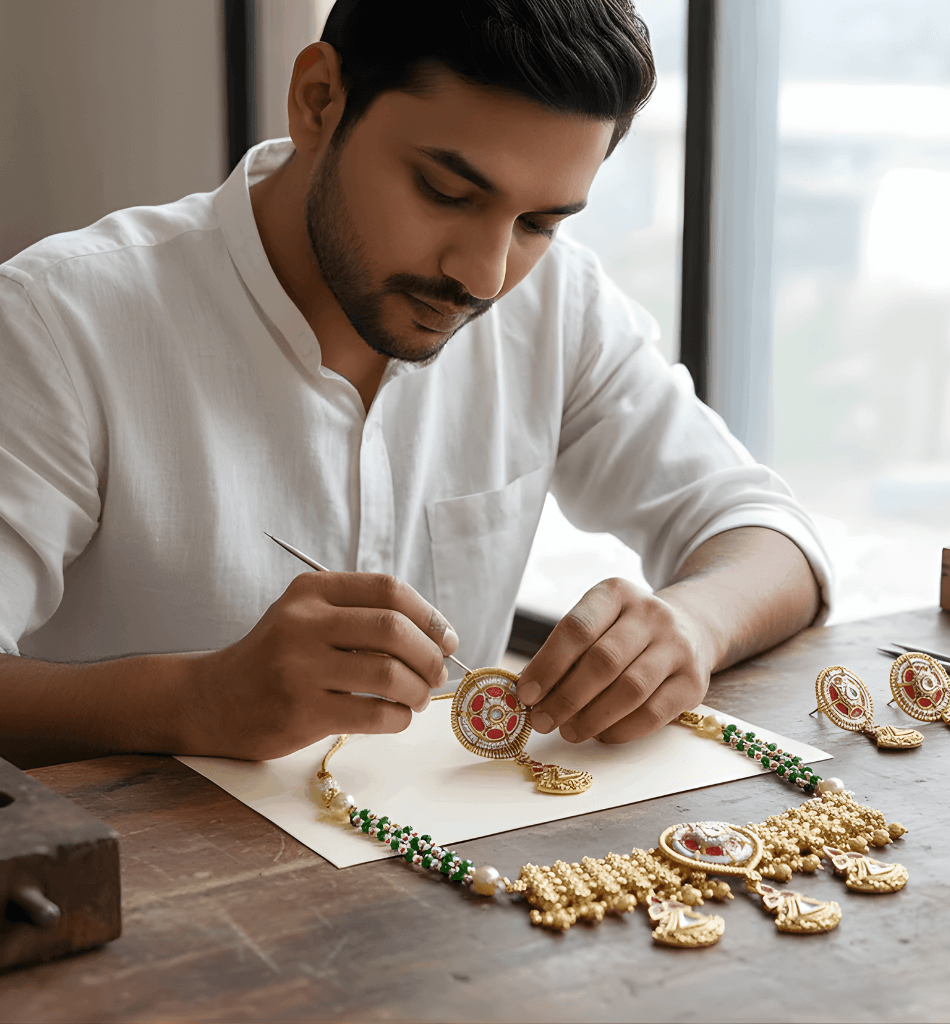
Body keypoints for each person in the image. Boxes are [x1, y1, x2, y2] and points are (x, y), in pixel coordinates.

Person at [0, 0, 830, 768]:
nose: (485, 274)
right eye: (446, 192)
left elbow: (769, 534)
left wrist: (694, 623)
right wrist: (196, 699)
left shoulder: (557, 304)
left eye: (540, 222)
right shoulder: (56, 324)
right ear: (319, 101)